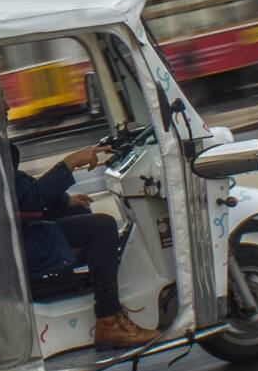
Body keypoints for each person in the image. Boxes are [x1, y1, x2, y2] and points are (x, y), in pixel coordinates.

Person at [11, 142, 158, 350]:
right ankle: (109, 320)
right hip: (15, 243)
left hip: (10, 232)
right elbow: (27, 199)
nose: (7, 107)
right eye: (1, 106)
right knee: (104, 227)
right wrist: (69, 163)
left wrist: (64, 200)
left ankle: (73, 285)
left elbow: (18, 188)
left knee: (77, 211)